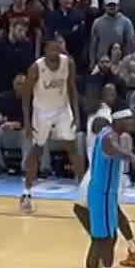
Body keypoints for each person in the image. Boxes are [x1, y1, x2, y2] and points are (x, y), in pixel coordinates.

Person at [74, 112, 135, 268]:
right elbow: (113, 149)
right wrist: (131, 156)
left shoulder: (114, 134)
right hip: (99, 195)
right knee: (98, 241)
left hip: (109, 195)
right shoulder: (108, 136)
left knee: (110, 238)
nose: (131, 123)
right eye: (128, 120)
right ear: (118, 121)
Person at [20, 36, 79, 212]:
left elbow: (72, 88)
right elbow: (25, 95)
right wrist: (27, 122)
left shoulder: (68, 63)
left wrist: (76, 113)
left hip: (62, 109)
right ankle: (26, 192)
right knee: (37, 149)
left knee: (72, 147)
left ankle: (86, 193)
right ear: (45, 50)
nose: (55, 51)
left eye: (57, 47)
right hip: (41, 111)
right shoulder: (36, 67)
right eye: (51, 48)